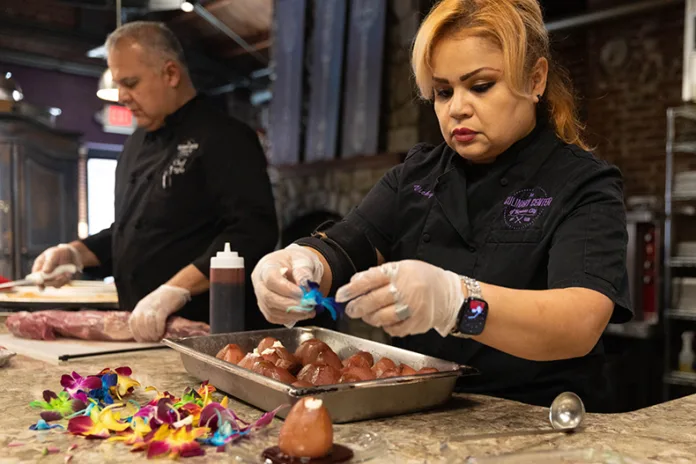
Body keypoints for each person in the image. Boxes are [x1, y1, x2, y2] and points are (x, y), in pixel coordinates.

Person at [251, 0, 631, 412]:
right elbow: (347, 245)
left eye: (481, 86)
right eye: (443, 92)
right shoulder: (415, 177)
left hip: (544, 419)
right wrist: (300, 265)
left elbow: (577, 324)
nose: (457, 108)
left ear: (536, 79)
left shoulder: (583, 183)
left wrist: (457, 302)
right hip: (426, 412)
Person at [32, 21, 278, 341]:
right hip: (141, 330)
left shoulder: (225, 137)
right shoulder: (135, 143)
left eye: (130, 83)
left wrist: (175, 290)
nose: (121, 96)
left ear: (171, 74)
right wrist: (75, 253)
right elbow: (133, 232)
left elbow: (253, 231)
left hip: (207, 333)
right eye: (118, 84)